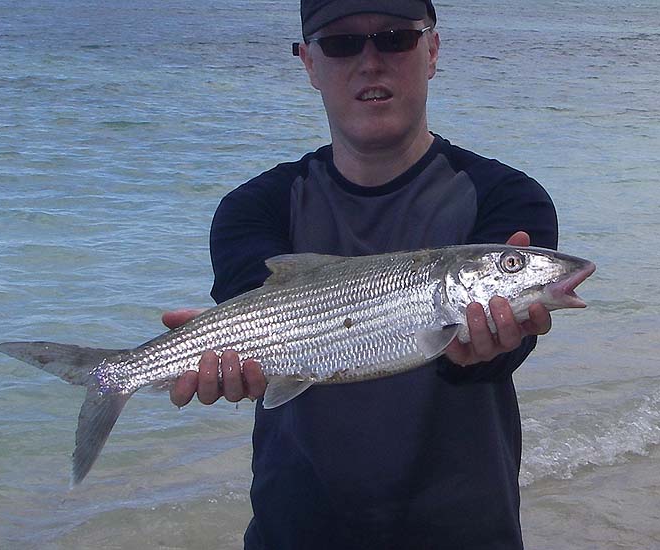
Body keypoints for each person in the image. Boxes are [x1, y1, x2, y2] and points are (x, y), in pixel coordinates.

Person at [164, 0, 558, 548]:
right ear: (308, 64)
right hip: (295, 530)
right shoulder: (254, 208)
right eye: (341, 43)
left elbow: (503, 353)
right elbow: (255, 333)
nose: (370, 62)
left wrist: (487, 352)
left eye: (395, 38)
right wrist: (218, 353)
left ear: (433, 50)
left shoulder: (508, 198)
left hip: (465, 530)